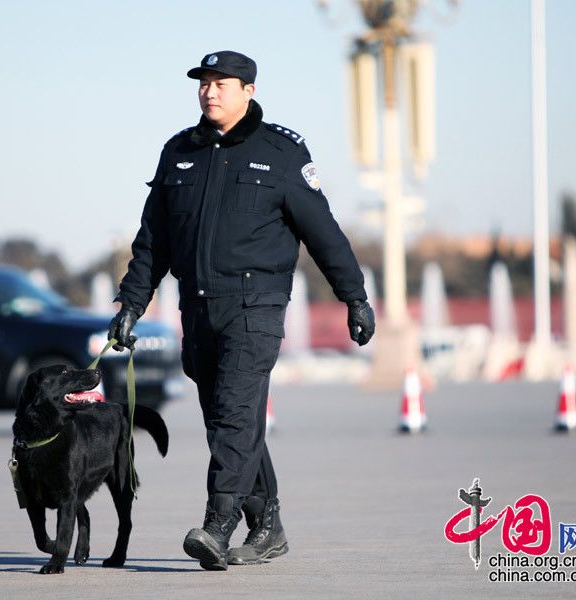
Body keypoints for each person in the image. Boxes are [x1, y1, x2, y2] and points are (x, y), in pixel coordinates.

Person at [108, 50, 375, 571]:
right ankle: (268, 525)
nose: (209, 91)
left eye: (221, 83)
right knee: (229, 421)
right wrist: (131, 304)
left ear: (248, 90)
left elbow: (324, 233)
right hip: (198, 308)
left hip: (256, 305)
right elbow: (153, 242)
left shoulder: (279, 153)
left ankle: (217, 523)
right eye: (204, 83)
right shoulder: (178, 152)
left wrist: (355, 298)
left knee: (233, 413)